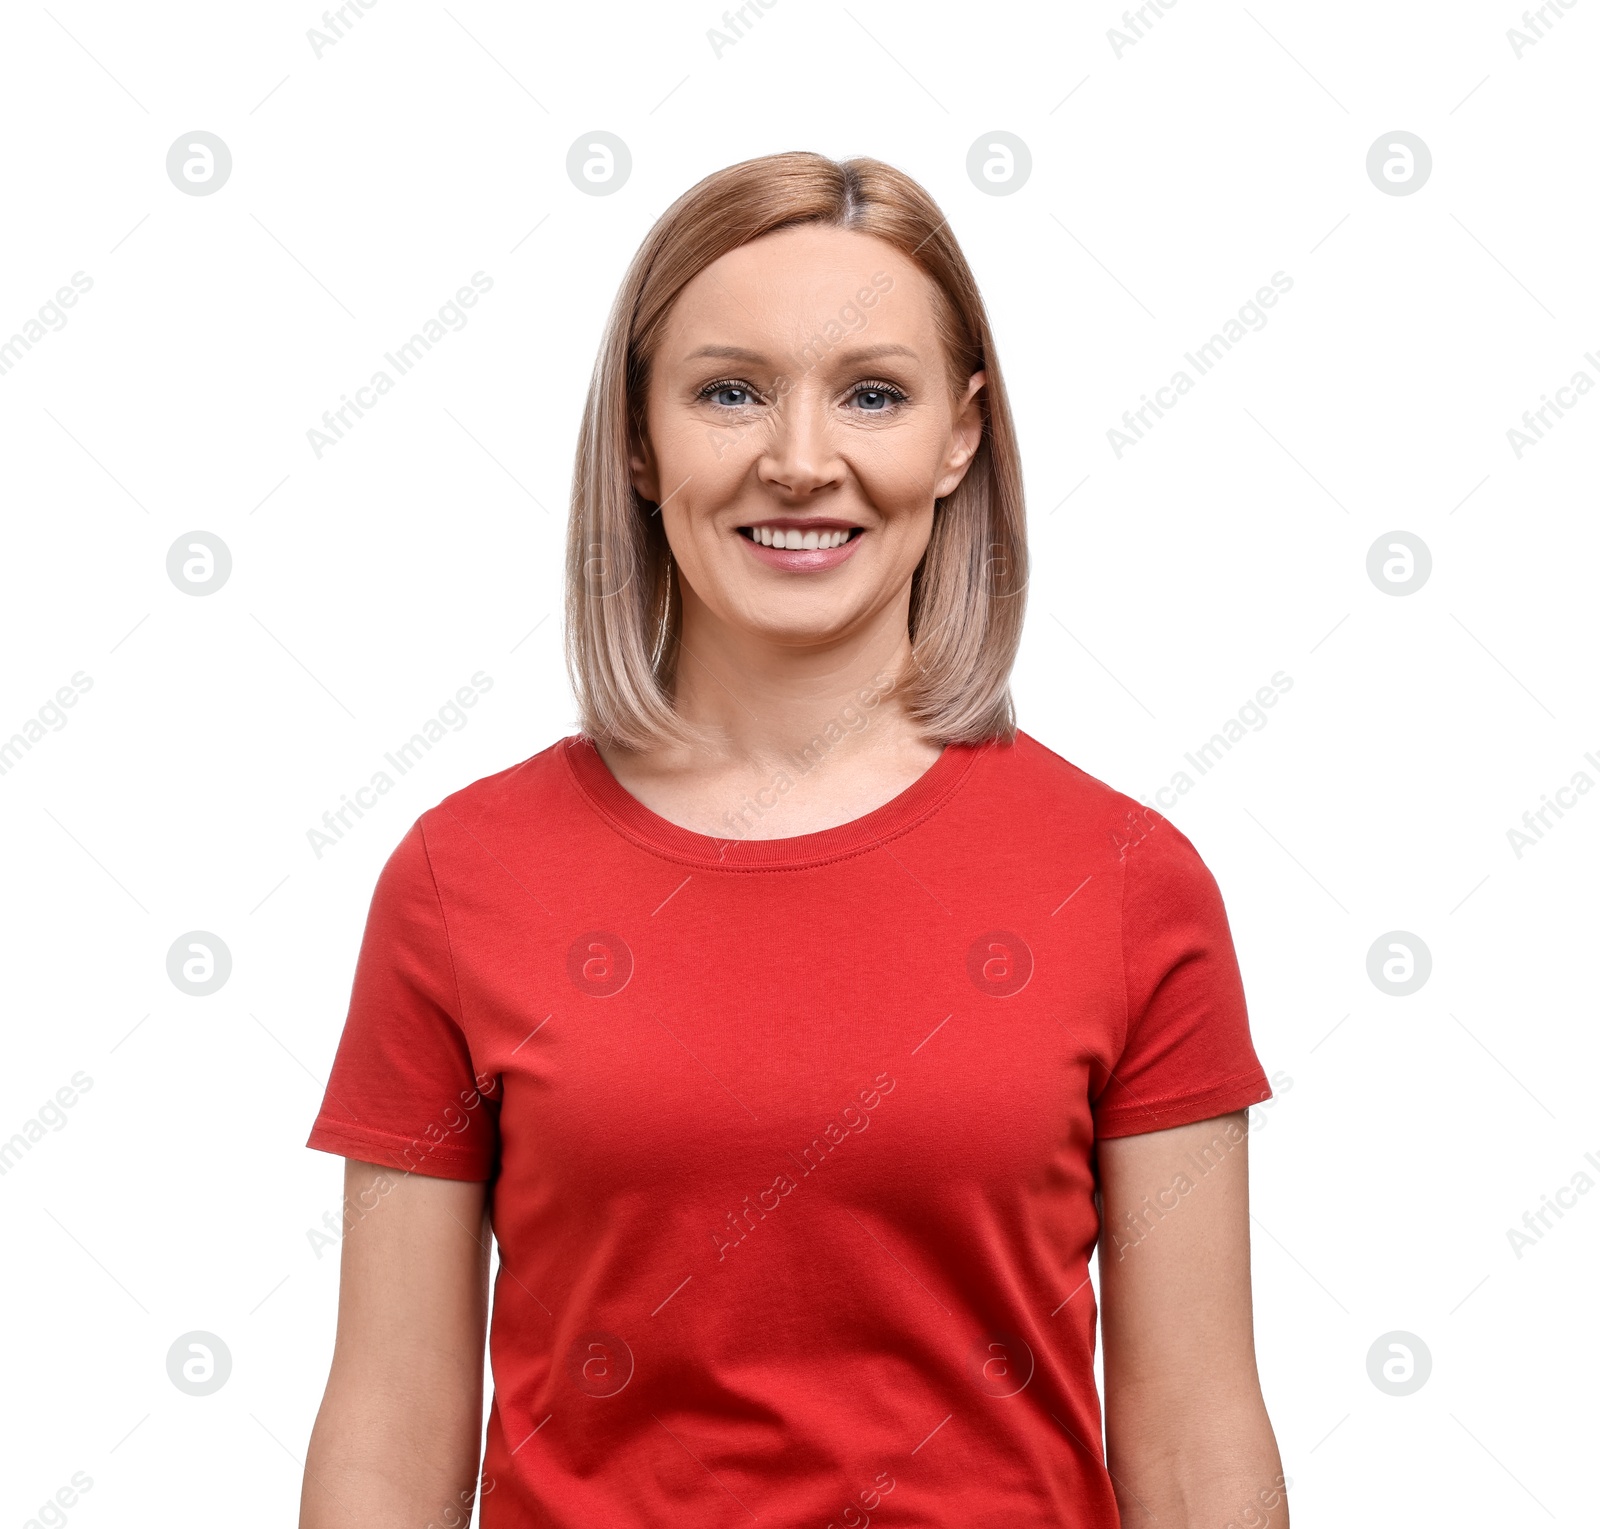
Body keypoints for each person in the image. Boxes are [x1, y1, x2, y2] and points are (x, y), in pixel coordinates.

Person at [299, 151, 1289, 1529]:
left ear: (960, 435)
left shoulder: (1125, 883)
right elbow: (392, 1445)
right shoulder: (461, 881)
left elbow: (1193, 1451)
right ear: (640, 441)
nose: (802, 459)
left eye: (872, 393)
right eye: (729, 391)